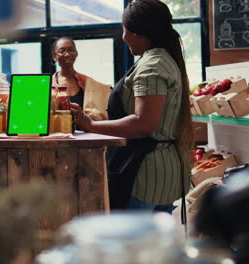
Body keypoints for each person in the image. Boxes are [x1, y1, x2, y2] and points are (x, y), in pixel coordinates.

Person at [71, 0, 193, 213]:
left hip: (145, 173)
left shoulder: (152, 66)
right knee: (154, 243)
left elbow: (143, 124)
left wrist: (90, 125)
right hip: (164, 169)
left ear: (138, 33)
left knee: (131, 243)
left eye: (125, 30)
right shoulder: (163, 59)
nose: (123, 36)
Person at [52, 37, 111, 120]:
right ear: (54, 57)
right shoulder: (48, 85)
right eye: (62, 51)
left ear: (76, 53)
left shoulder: (89, 83)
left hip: (86, 131)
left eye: (70, 50)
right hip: (57, 131)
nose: (67, 54)